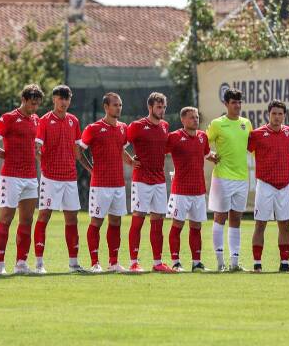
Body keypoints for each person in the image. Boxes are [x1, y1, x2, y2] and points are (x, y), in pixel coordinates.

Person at [78, 93, 137, 273]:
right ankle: (95, 263)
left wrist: (131, 161)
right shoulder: (93, 128)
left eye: (120, 105)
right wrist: (90, 169)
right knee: (96, 222)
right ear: (106, 107)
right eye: (115, 105)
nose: (118, 108)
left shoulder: (122, 128)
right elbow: (79, 152)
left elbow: (120, 149)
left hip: (118, 184)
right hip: (100, 185)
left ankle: (114, 263)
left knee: (116, 222)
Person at [34, 85, 89, 273]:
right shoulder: (44, 121)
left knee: (72, 219)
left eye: (67, 99)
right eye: (60, 98)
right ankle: (39, 264)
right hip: (50, 178)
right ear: (54, 100)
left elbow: (78, 152)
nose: (64, 102)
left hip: (70, 178)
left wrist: (91, 169)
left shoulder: (74, 121)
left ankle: (73, 264)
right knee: (44, 216)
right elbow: (37, 149)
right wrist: (45, 165)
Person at [0, 84, 43, 275]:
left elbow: (34, 146)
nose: (34, 108)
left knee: (27, 220)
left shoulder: (36, 120)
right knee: (6, 219)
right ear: (23, 100)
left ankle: (21, 263)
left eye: (37, 104)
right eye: (32, 103)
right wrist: (3, 154)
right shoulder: (9, 118)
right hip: (11, 176)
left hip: (30, 176)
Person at [206, 89, 253, 272]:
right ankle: (220, 262)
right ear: (226, 104)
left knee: (236, 219)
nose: (238, 105)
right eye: (234, 102)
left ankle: (234, 262)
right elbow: (202, 142)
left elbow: (252, 147)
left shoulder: (246, 123)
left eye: (239, 102)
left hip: (242, 178)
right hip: (223, 177)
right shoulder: (218, 124)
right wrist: (209, 155)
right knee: (220, 217)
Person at [248, 101, 289, 272]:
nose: (277, 117)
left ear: (284, 115)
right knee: (260, 224)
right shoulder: (257, 134)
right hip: (265, 184)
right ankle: (257, 264)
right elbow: (244, 151)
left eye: (280, 114)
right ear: (268, 114)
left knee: (285, 224)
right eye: (274, 113)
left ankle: (284, 264)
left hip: (284, 185)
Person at [125, 92, 170, 273]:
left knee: (158, 221)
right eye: (159, 107)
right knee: (138, 220)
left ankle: (157, 262)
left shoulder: (165, 126)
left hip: (160, 181)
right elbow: (120, 143)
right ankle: (133, 262)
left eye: (164, 107)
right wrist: (129, 160)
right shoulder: (136, 126)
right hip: (141, 180)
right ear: (150, 107)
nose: (162, 110)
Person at [164, 107, 211, 272]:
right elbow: (160, 152)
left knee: (196, 226)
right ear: (183, 120)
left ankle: (196, 262)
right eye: (191, 117)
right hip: (180, 191)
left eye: (197, 117)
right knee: (177, 225)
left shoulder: (203, 137)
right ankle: (176, 262)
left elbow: (206, 155)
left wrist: (217, 158)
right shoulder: (174, 137)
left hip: (198, 190)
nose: (195, 120)